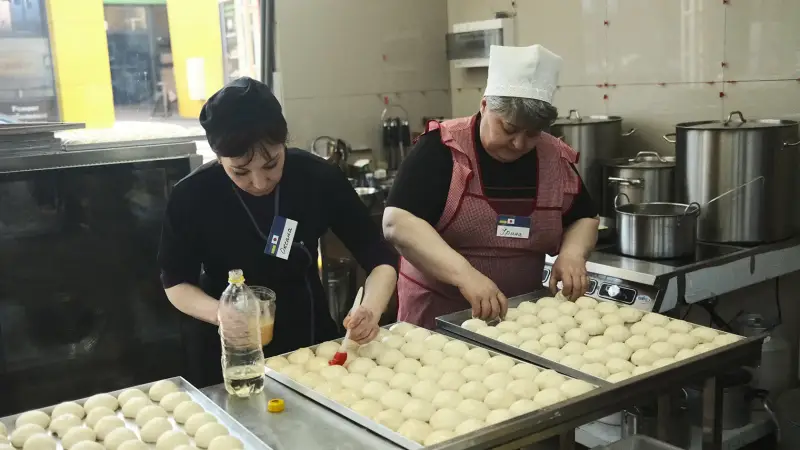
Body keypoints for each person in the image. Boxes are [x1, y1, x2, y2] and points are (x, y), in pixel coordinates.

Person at [158, 77, 397, 387]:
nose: (259, 182)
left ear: (284, 141)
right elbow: (175, 282)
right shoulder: (192, 196)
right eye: (240, 172)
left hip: (311, 339)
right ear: (219, 158)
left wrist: (370, 308)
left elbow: (379, 257)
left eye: (271, 164)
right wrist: (222, 313)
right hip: (231, 350)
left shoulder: (315, 178)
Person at [383, 45, 599, 329]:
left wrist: (572, 253)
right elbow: (397, 222)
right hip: (436, 319)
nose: (520, 144)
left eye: (533, 133)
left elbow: (585, 216)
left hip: (520, 321)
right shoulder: (442, 149)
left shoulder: (553, 157)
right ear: (484, 106)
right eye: (508, 129)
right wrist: (465, 275)